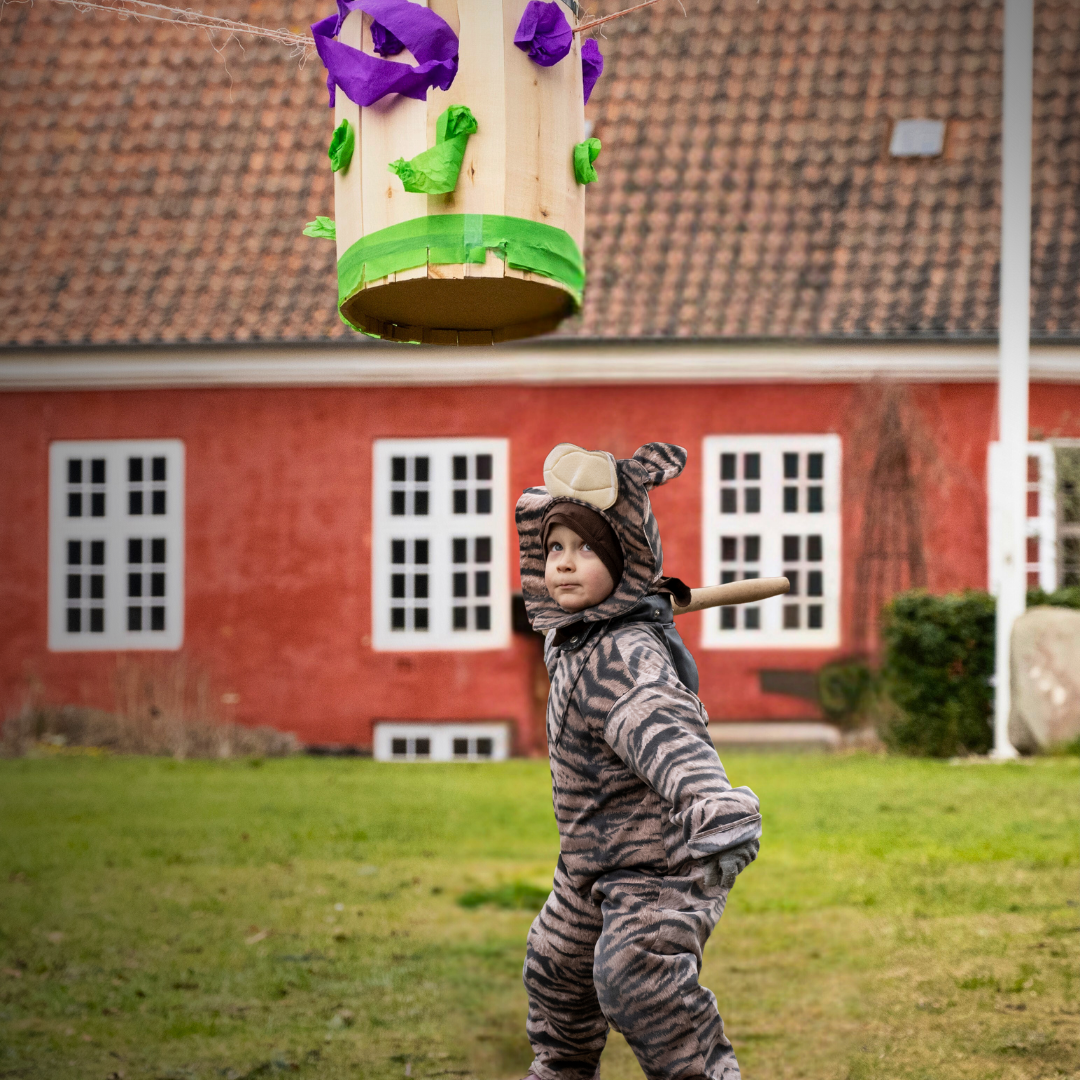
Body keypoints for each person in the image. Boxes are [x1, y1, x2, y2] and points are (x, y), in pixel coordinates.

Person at [515, 442, 762, 1080]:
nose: (564, 563)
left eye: (586, 548)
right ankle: (561, 1070)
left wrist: (709, 798)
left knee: (636, 979)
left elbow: (663, 726)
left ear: (624, 557)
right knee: (556, 969)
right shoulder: (576, 637)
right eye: (555, 548)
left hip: (659, 861)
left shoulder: (623, 654)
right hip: (590, 859)